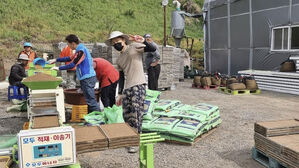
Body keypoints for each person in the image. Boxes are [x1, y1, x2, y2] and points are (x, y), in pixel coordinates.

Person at [105, 31, 156, 153]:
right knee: (126, 115)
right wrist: (120, 93)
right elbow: (121, 77)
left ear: (123, 40)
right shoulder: (119, 60)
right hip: (127, 88)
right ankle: (131, 138)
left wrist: (142, 40)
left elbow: (152, 49)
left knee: (135, 114)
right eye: (113, 43)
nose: (116, 44)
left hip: (138, 85)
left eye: (117, 41)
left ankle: (135, 142)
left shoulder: (134, 47)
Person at [50, 34, 100, 113]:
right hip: (84, 78)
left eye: (68, 44)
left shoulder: (81, 51)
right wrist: (56, 60)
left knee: (91, 100)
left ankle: (98, 118)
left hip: (88, 78)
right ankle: (92, 118)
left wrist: (59, 68)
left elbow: (73, 64)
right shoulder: (78, 50)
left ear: (73, 43)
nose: (68, 46)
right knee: (88, 100)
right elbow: (70, 58)